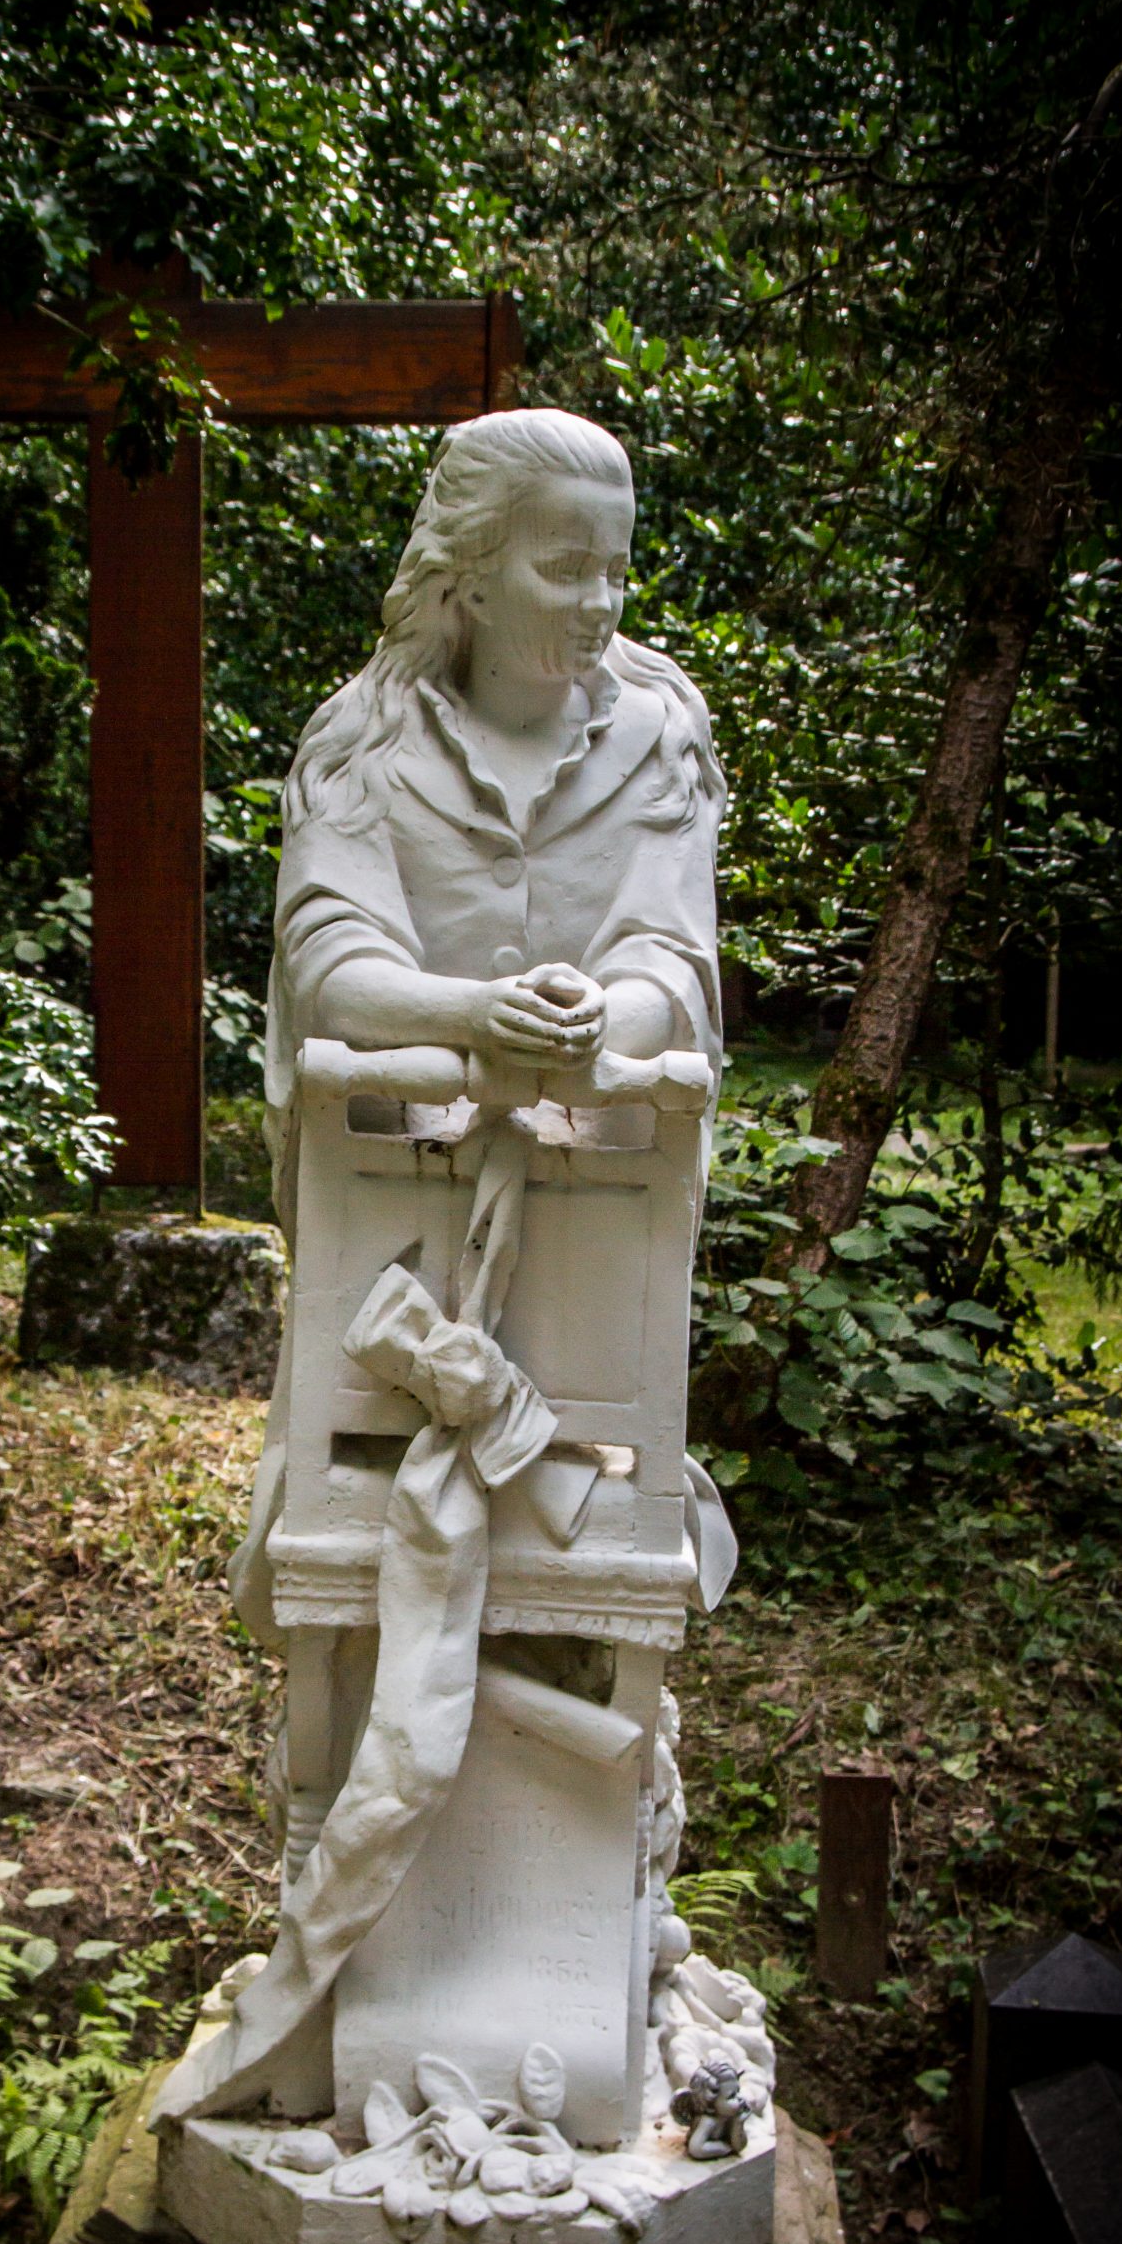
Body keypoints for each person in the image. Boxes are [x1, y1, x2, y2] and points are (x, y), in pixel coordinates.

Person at [233, 403, 735, 1646]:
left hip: (595, 1205)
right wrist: (471, 1016)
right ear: (466, 567)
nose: (599, 602)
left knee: (578, 1575)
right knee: (361, 1574)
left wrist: (598, 1019)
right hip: (395, 1219)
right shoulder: (364, 735)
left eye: (615, 568)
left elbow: (671, 957)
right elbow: (332, 959)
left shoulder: (659, 734)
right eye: (564, 567)